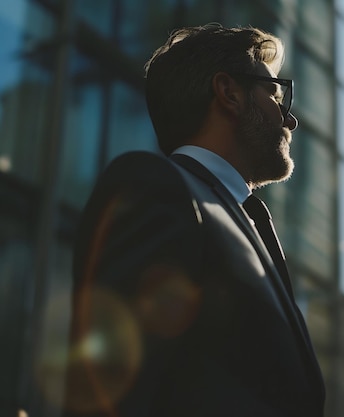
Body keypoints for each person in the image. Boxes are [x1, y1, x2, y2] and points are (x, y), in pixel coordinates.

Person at [63, 24, 325, 417]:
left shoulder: (233, 213)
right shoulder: (157, 190)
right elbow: (108, 391)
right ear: (229, 94)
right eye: (274, 93)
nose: (290, 121)